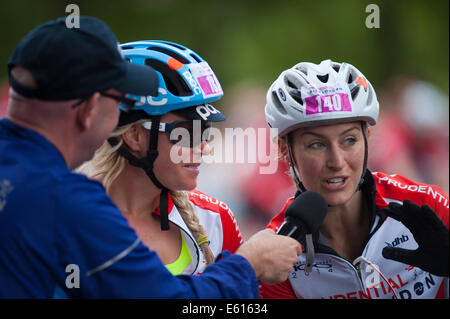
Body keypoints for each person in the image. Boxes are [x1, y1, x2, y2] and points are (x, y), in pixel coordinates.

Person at [0, 16, 302, 298]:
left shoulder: (32, 179)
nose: (117, 119)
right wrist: (248, 266)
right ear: (90, 109)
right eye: (117, 101)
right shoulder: (66, 201)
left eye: (205, 132)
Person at [259, 60, 449, 299]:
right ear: (285, 151)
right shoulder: (278, 252)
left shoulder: (426, 204)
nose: (337, 161)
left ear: (368, 138)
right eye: (316, 144)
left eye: (349, 140)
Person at [78, 40, 243, 275]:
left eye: (205, 131)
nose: (204, 148)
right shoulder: (73, 222)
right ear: (134, 136)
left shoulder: (215, 218)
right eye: (186, 133)